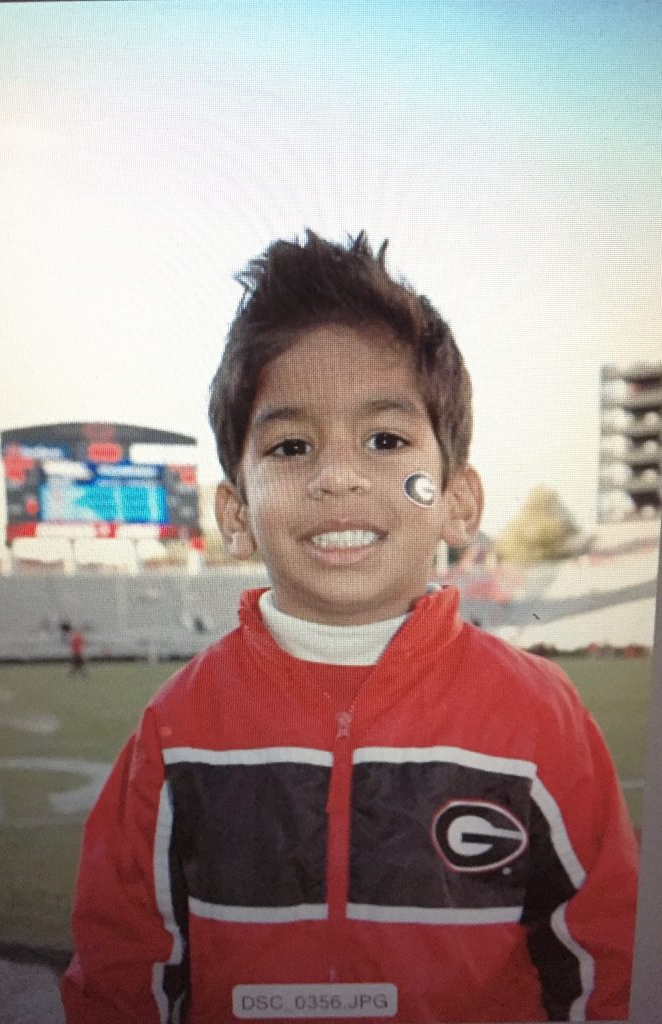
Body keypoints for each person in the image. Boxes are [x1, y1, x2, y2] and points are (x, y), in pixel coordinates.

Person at [61, 231, 638, 1023]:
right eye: (292, 445)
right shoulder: (177, 728)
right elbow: (122, 972)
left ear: (456, 500)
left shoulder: (541, 719)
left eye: (384, 440)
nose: (337, 474)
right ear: (236, 513)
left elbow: (605, 961)